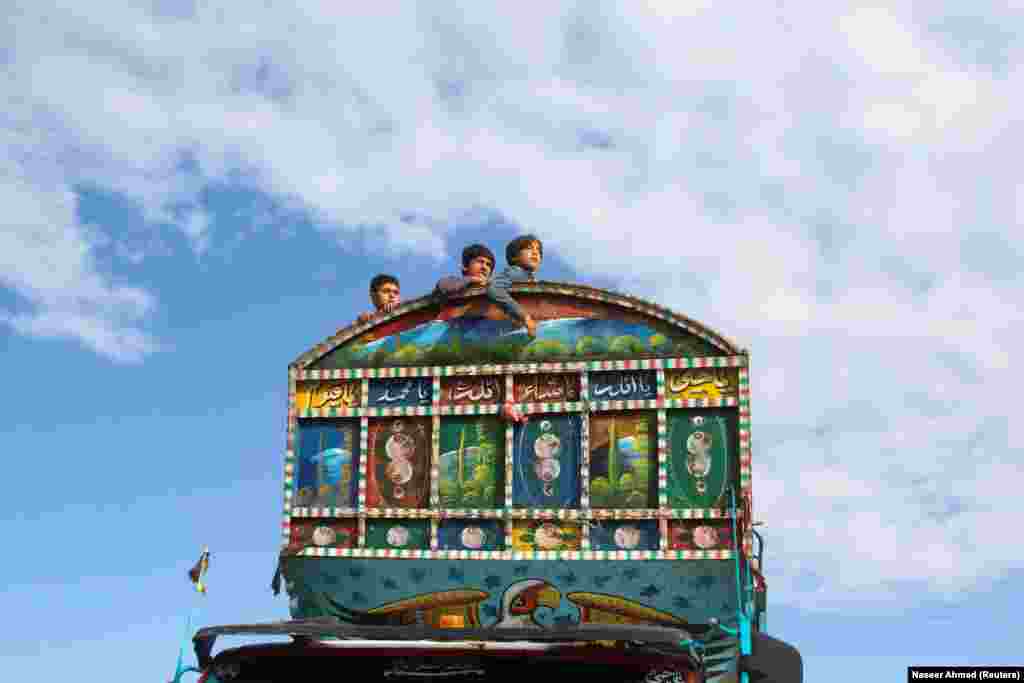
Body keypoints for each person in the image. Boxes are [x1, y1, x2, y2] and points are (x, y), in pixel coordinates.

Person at [487, 235, 542, 337]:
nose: (535, 252)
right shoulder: (516, 272)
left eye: (538, 250)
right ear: (514, 257)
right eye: (529, 248)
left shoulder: (527, 276)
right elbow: (494, 289)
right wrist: (525, 317)